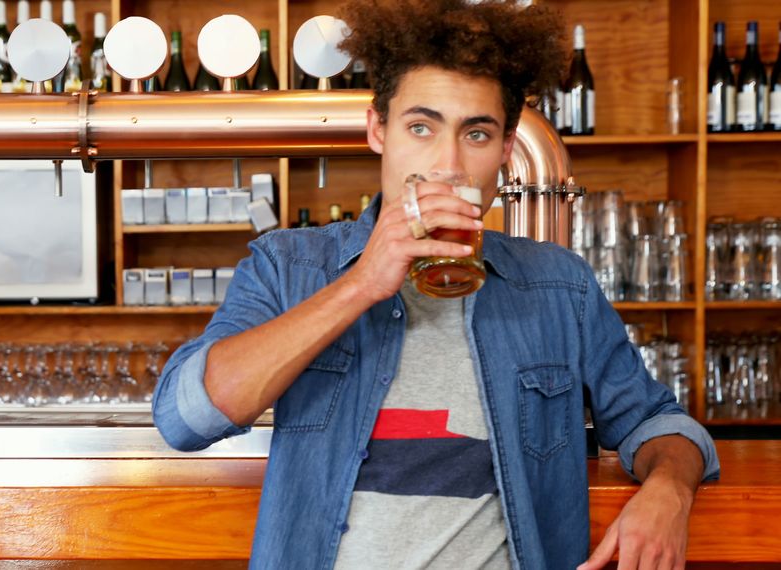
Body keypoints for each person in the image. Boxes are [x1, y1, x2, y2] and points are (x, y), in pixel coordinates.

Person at [152, 1, 720, 568]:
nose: (448, 165)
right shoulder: (288, 266)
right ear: (378, 129)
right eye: (421, 127)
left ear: (505, 149)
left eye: (476, 135)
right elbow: (186, 418)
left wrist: (669, 489)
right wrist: (360, 286)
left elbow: (657, 422)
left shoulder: (559, 286)